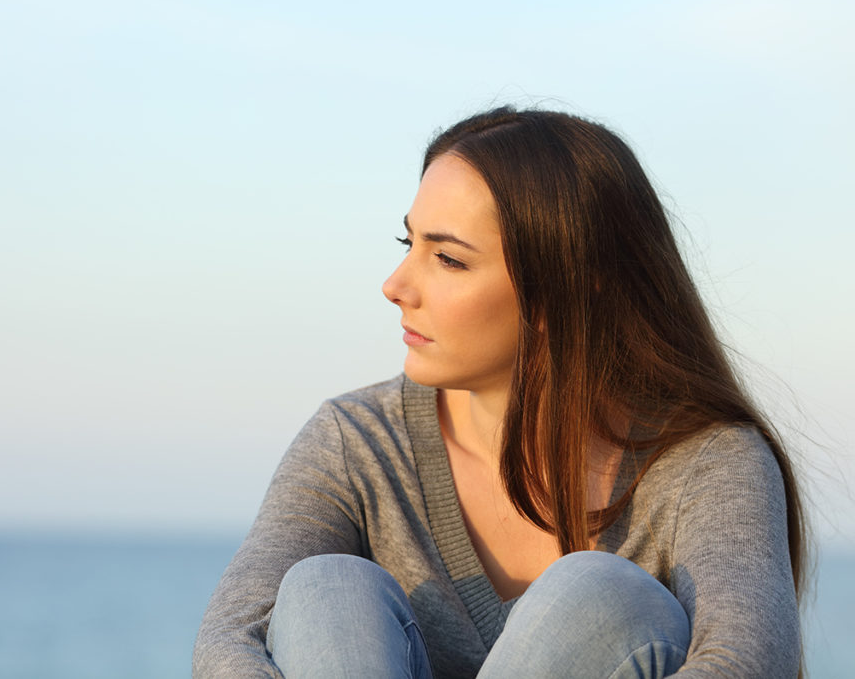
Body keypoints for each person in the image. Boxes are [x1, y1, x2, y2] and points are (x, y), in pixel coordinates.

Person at [192, 107, 807, 678]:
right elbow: (229, 643)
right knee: (325, 590)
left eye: (449, 260)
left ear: (566, 289)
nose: (395, 284)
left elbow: (746, 664)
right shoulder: (356, 441)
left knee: (598, 597)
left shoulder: (707, 462)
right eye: (411, 245)